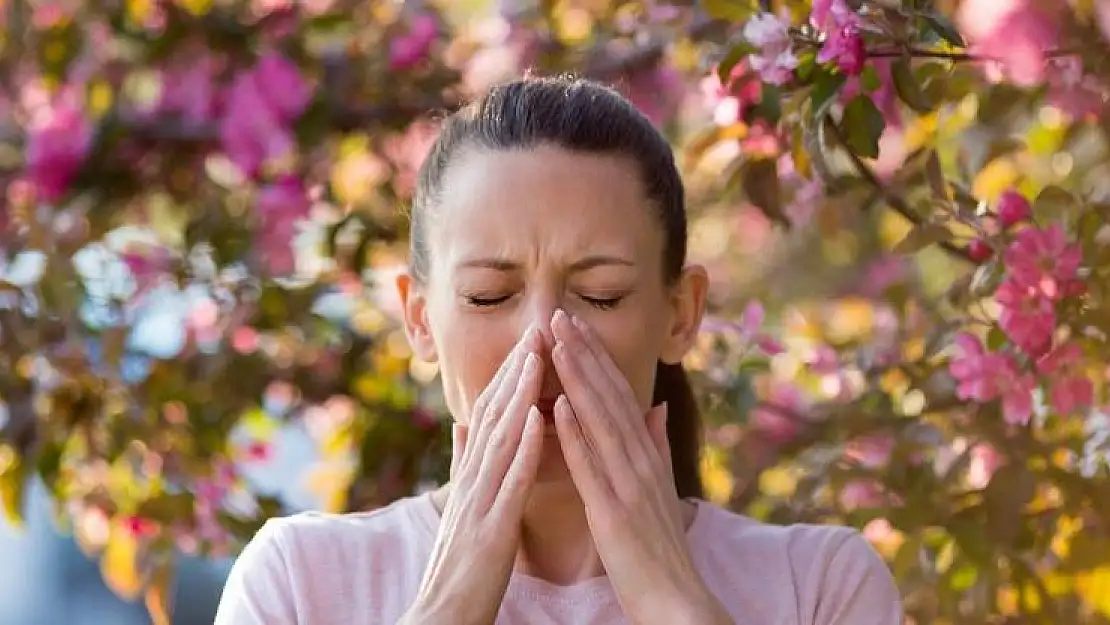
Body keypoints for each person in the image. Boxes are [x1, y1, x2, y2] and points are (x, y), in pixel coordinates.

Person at [213, 74, 903, 625]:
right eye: (489, 295)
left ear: (680, 312)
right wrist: (448, 603)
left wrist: (674, 601)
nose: (542, 337)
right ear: (419, 318)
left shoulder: (817, 586)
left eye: (600, 294)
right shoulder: (301, 580)